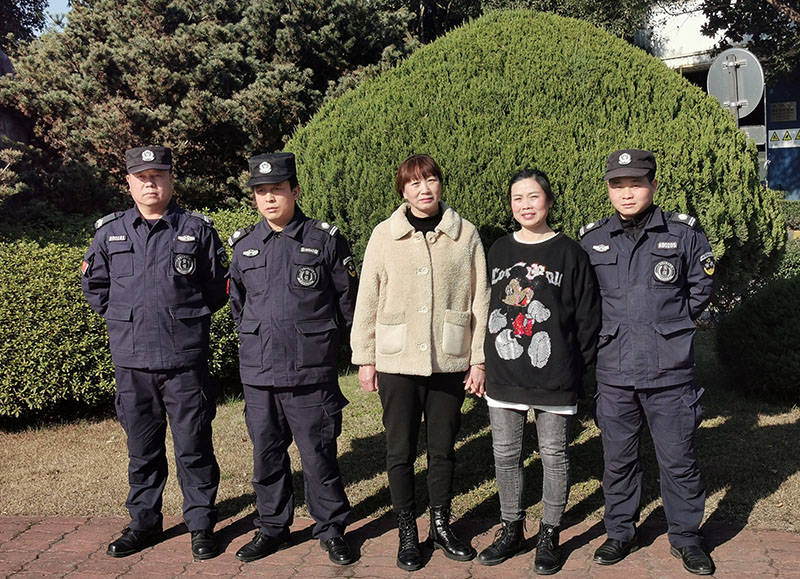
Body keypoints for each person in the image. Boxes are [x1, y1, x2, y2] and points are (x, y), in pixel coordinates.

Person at [81, 146, 228, 560]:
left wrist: (181, 321)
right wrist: (128, 320)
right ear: (128, 183)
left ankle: (201, 525)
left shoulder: (196, 230)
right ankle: (144, 523)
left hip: (184, 361)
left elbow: (217, 289)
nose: (151, 184)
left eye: (158, 176)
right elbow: (95, 288)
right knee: (142, 449)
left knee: (194, 446)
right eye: (142, 177)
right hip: (132, 363)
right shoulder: (109, 232)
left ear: (170, 180)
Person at [580, 149, 717, 576]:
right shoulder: (593, 240)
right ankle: (620, 532)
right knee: (618, 460)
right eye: (618, 185)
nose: (627, 193)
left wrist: (669, 328)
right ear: (608, 190)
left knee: (678, 460)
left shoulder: (683, 233)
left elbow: (701, 289)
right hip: (615, 370)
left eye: (636, 184)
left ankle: (687, 538)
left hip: (669, 371)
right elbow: (585, 301)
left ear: (653, 186)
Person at [351, 154, 490, 572]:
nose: (424, 189)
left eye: (430, 180)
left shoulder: (465, 234)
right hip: (397, 361)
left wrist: (479, 359)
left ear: (440, 184)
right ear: (403, 190)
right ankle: (407, 531)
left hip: (449, 358)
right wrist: (365, 357)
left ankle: (442, 526)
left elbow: (480, 299)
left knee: (443, 450)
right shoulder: (384, 235)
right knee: (400, 450)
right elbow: (368, 297)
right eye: (414, 183)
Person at [227, 152, 358, 566]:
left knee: (318, 455)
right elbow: (238, 306)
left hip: (309, 370)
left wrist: (350, 352)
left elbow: (346, 302)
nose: (269, 198)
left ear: (295, 191)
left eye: (277, 189)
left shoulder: (324, 239)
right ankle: (271, 528)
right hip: (260, 372)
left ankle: (331, 529)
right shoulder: (244, 246)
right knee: (266, 455)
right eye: (261, 191)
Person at [477, 170, 601, 574]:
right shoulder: (498, 249)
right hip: (505, 371)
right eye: (517, 198)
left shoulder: (570, 253)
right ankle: (511, 528)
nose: (525, 205)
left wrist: (576, 365)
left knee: (553, 454)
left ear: (548, 201)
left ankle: (550, 533)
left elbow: (587, 317)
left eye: (533, 196)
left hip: (554, 373)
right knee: (505, 454)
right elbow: (485, 305)